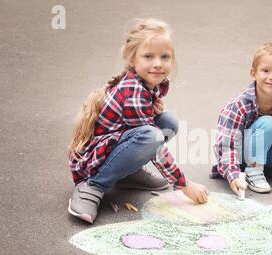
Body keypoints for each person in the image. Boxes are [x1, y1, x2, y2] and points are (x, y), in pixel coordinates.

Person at [68, 18, 209, 223]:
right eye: (148, 56)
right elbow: (155, 145)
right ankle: (93, 186)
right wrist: (184, 184)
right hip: (93, 162)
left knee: (167, 122)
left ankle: (127, 175)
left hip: (115, 143)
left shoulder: (147, 83)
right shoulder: (133, 90)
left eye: (165, 56)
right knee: (152, 136)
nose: (158, 63)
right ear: (132, 60)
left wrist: (151, 111)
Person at [210, 42, 272, 197]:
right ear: (253, 73)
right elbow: (227, 145)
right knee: (268, 123)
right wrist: (233, 176)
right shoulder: (238, 106)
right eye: (265, 70)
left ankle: (261, 166)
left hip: (264, 151)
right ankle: (253, 172)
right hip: (240, 155)